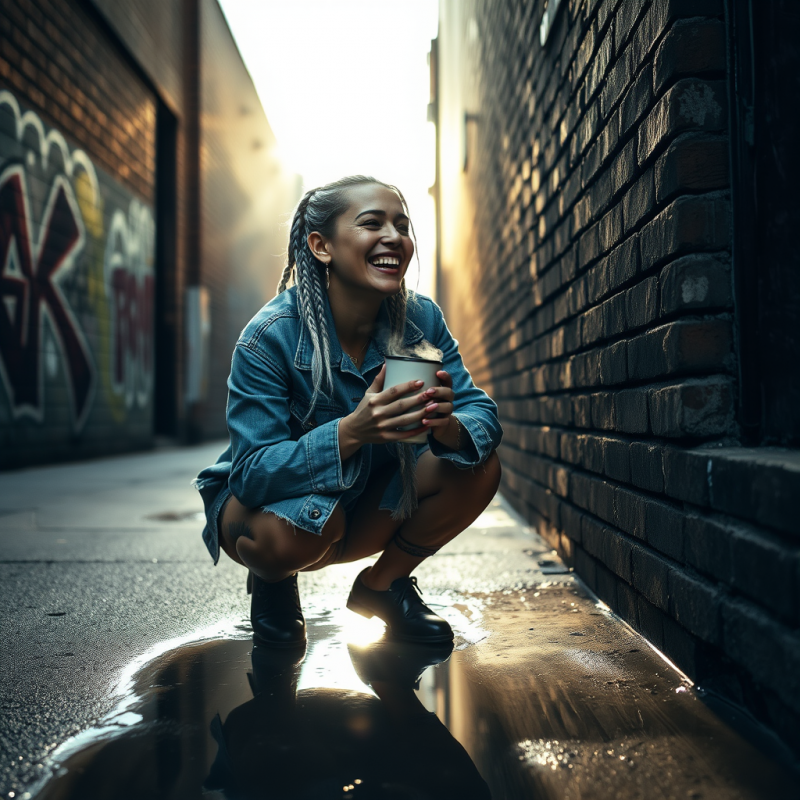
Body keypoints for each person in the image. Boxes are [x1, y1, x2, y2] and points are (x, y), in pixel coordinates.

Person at [193, 175, 502, 647]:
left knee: (478, 468)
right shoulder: (269, 336)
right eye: (371, 223)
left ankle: (384, 587)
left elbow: (480, 413)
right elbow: (252, 474)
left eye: (402, 225)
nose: (393, 237)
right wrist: (351, 431)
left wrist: (449, 427)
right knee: (304, 527)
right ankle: (273, 581)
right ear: (321, 246)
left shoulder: (421, 320)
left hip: (364, 505)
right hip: (269, 513)